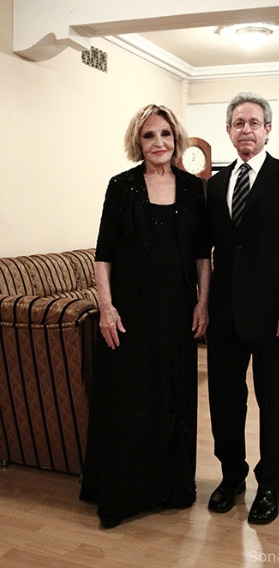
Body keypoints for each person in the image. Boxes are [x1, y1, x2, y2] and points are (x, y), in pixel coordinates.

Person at [79, 104, 211, 528]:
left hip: (178, 309)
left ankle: (171, 487)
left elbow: (202, 255)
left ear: (176, 139)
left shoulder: (193, 189)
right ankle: (123, 496)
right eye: (149, 135)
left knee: (172, 399)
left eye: (165, 134)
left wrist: (203, 303)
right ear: (138, 141)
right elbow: (103, 255)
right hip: (130, 312)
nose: (159, 142)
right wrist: (106, 307)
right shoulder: (122, 186)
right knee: (130, 400)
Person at [206, 92, 279, 525]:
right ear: (229, 131)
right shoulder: (216, 184)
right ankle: (231, 475)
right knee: (224, 402)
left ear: (268, 130)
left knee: (271, 403)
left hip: (273, 317)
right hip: (224, 316)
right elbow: (209, 249)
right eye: (239, 123)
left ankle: (269, 484)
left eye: (254, 122)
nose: (246, 129)